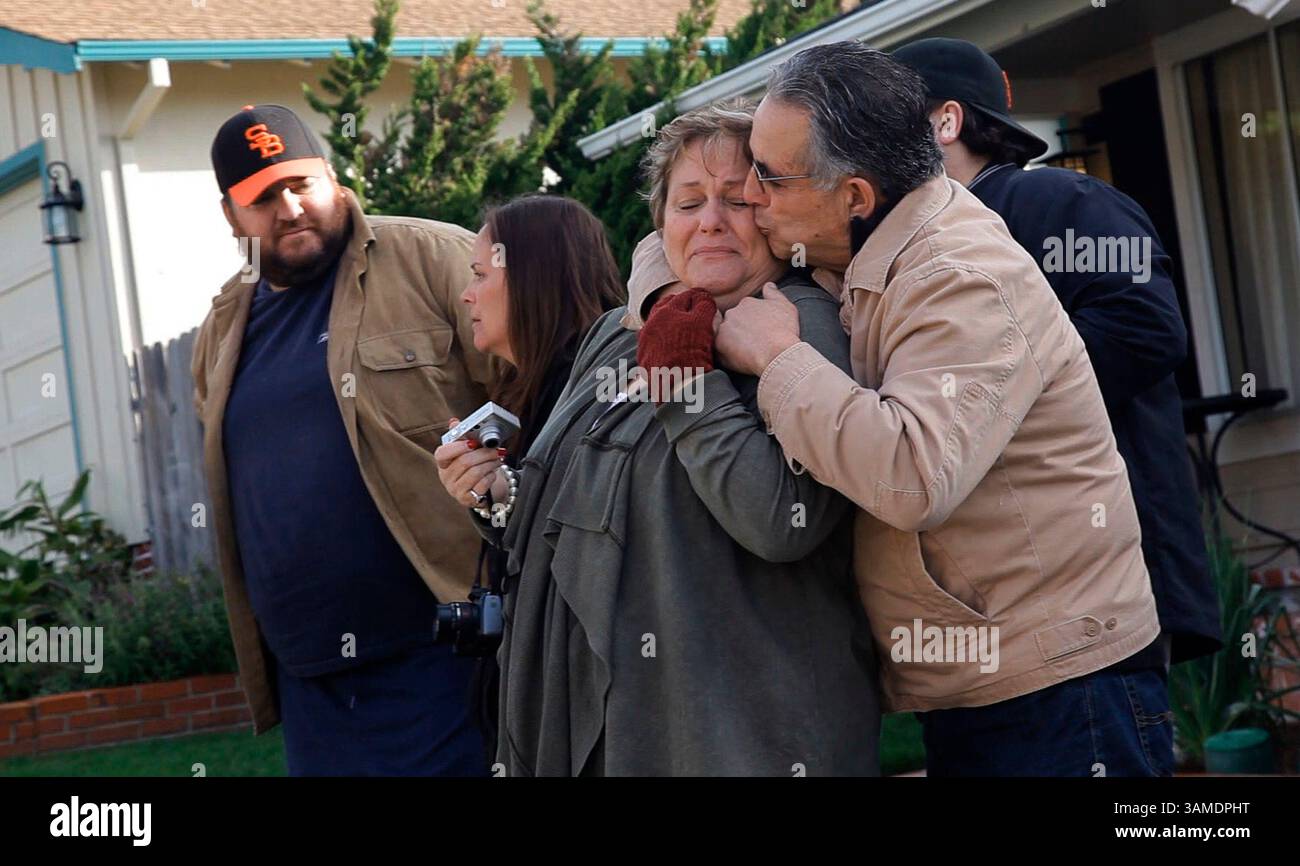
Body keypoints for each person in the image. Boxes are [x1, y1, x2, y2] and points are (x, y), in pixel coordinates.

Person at [628, 44, 1170, 777]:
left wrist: (780, 361)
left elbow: (912, 477)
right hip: (981, 679)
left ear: (853, 195)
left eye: (768, 177)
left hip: (1059, 690)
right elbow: (671, 238)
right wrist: (672, 300)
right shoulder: (854, 236)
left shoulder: (961, 278)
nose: (749, 197)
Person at [436, 103, 880, 776]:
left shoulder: (803, 329)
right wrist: (497, 493)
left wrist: (685, 380)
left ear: (774, 214)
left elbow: (782, 523)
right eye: (688, 203)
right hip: (605, 729)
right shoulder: (619, 334)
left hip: (735, 737)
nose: (710, 221)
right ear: (661, 222)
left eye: (737, 200)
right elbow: (559, 507)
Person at [892, 37, 1220, 669]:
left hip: (1105, 586)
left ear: (946, 123)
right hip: (1005, 615)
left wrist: (989, 390)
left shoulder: (1062, 201)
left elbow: (1145, 328)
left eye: (885, 120)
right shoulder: (914, 243)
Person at [191, 103, 498, 775]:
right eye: (263, 198)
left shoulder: (435, 259)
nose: (290, 208)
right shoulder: (220, 330)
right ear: (231, 217)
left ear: (332, 177)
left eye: (301, 183)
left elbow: (547, 391)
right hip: (314, 685)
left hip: (448, 654)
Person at [446, 195, 626, 760]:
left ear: (533, 278)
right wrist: (490, 494)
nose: (466, 294)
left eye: (480, 275)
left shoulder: (601, 395)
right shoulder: (528, 389)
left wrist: (503, 494)